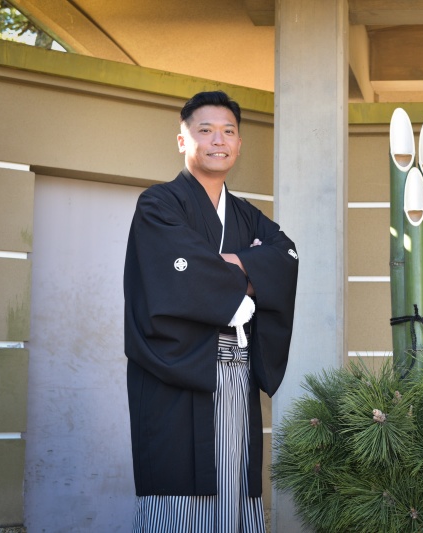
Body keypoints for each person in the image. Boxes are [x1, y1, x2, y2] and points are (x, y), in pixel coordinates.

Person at [124, 91, 298, 532]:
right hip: (178, 370)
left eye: (228, 131)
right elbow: (178, 272)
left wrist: (228, 263)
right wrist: (250, 266)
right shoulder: (158, 204)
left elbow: (286, 256)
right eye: (204, 130)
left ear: (238, 144)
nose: (217, 140)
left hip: (236, 370)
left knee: (235, 481)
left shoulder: (245, 214)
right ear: (182, 140)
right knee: (180, 483)